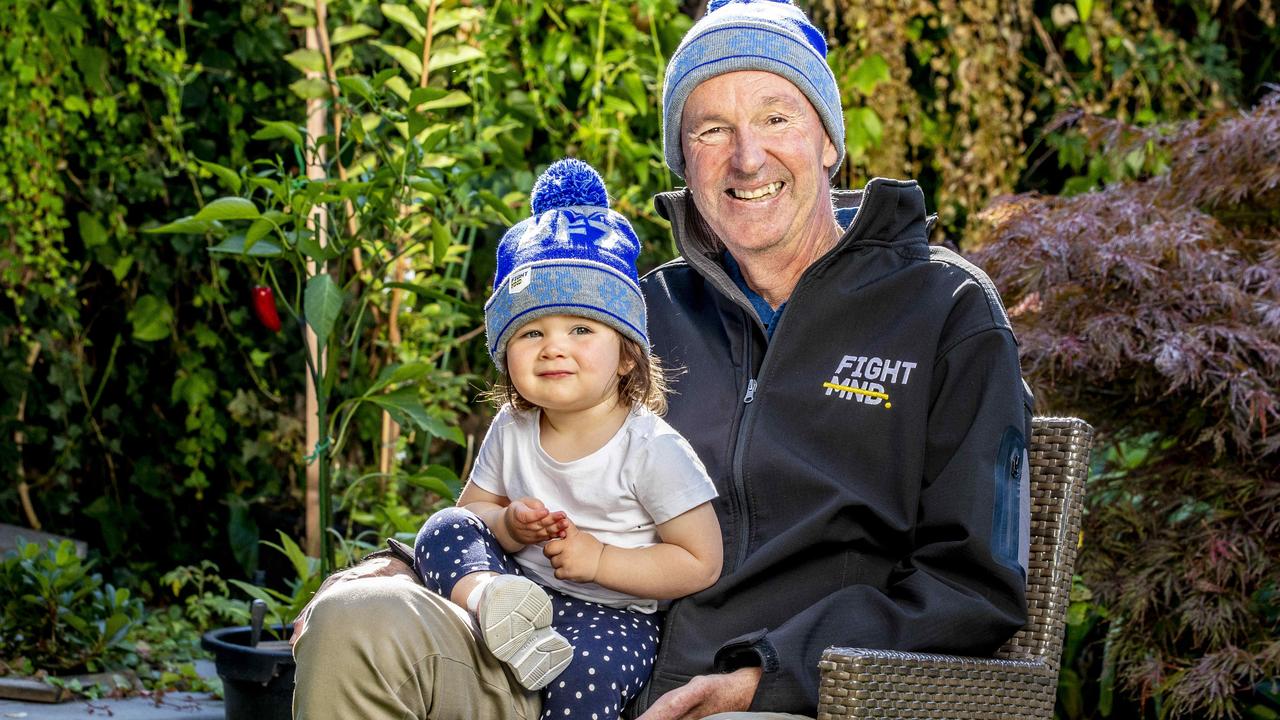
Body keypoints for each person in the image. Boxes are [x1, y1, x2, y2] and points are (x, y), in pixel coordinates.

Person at [291, 0, 1033, 716]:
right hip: (566, 650)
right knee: (360, 621)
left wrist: (762, 678)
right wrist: (404, 559)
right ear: (685, 159)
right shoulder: (642, 315)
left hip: (787, 692)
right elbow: (526, 466)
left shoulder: (944, 312)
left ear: (830, 140)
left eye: (777, 117)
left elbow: (971, 588)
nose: (748, 157)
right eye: (713, 130)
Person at [410, 158, 722, 720]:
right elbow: (474, 511)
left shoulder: (651, 448)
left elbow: (700, 561)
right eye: (531, 332)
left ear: (628, 353)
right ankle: (491, 606)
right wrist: (507, 524)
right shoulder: (512, 426)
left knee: (587, 675)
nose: (554, 347)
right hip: (517, 588)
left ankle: (528, 652)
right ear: (507, 355)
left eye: (581, 328)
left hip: (611, 614)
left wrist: (598, 558)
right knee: (443, 527)